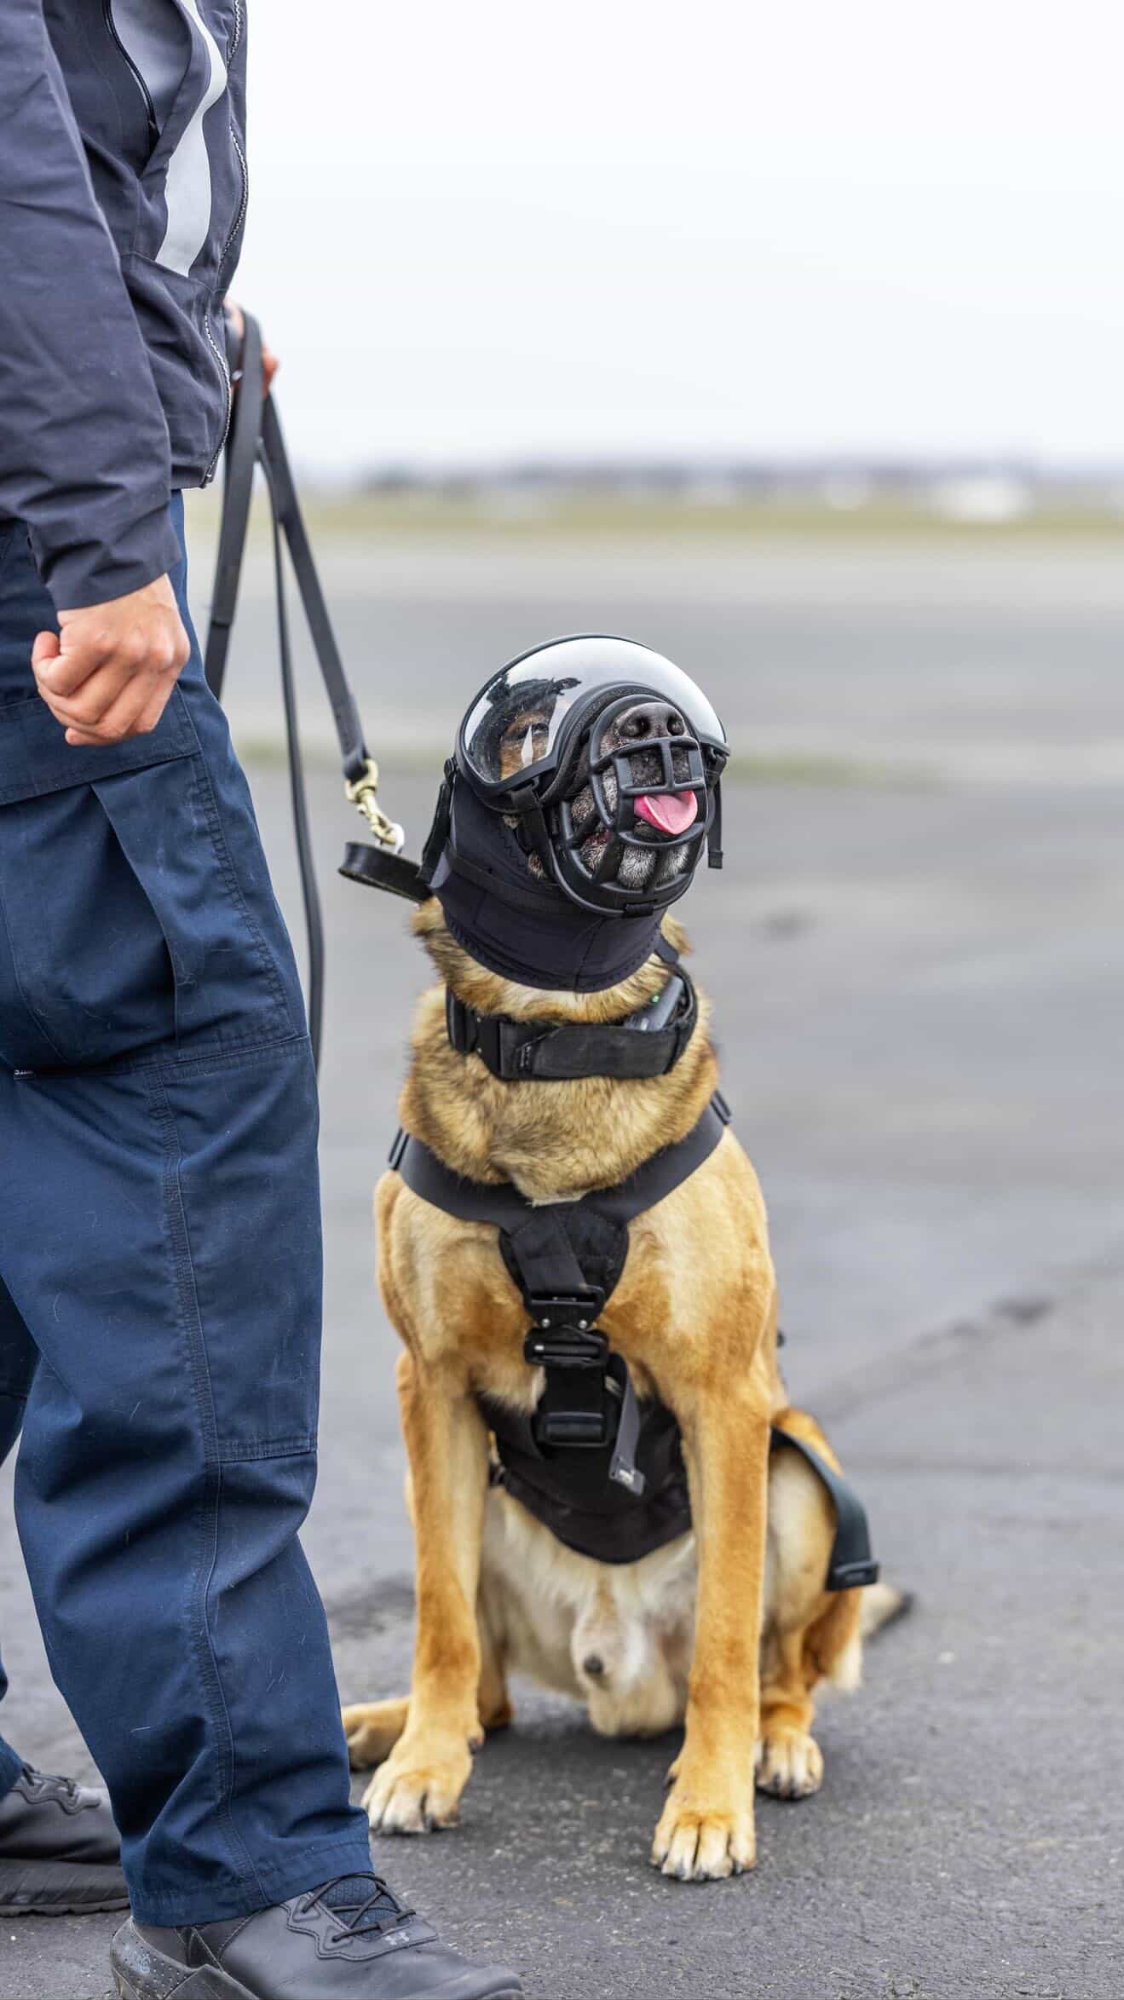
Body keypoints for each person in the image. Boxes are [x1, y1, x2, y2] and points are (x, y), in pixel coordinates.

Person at [0, 6, 522, 1996]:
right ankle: (240, 1870)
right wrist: (97, 513)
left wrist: (174, 328)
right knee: (168, 1176)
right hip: (37, 587)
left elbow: (92, 147)